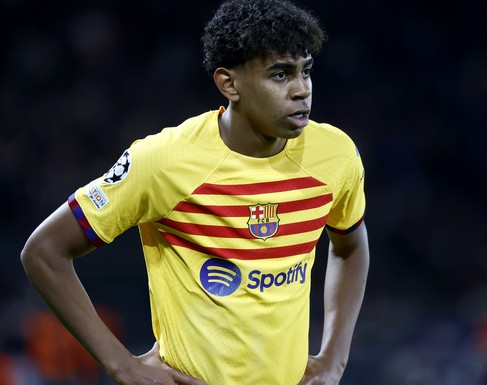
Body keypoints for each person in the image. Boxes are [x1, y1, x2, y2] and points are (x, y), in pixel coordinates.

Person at [20, 0, 370, 384]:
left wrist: (334, 359)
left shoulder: (335, 155)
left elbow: (349, 245)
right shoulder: (163, 161)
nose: (302, 89)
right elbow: (44, 251)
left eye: (307, 71)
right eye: (280, 74)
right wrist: (123, 366)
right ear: (228, 83)